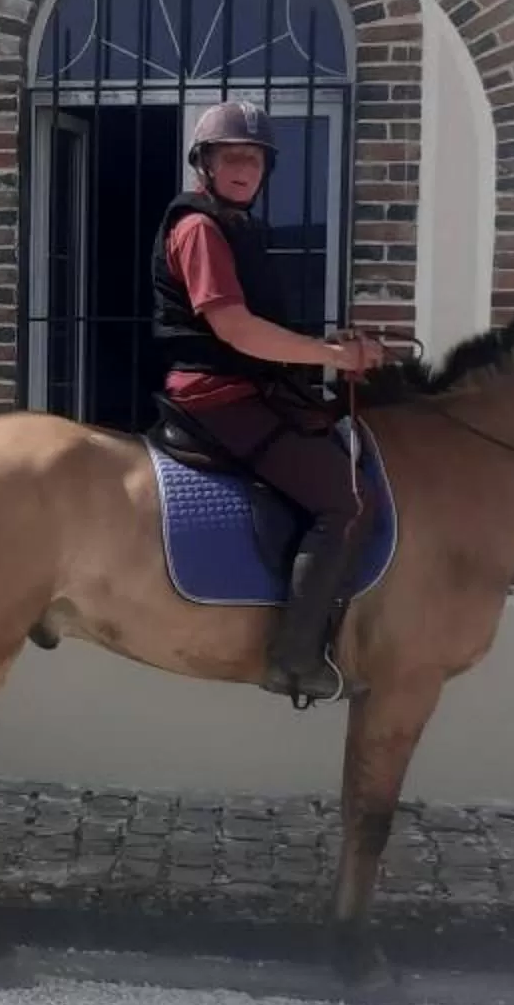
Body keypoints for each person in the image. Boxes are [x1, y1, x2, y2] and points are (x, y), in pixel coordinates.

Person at [146, 99, 391, 704]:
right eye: (231, 155)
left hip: (250, 386)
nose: (244, 168)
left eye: (254, 158)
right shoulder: (199, 228)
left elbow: (266, 328)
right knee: (343, 501)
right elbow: (234, 328)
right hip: (216, 393)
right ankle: (294, 658)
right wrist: (331, 359)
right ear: (203, 162)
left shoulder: (238, 227)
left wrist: (327, 347)